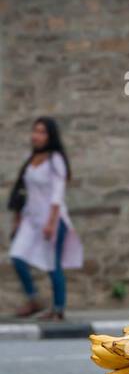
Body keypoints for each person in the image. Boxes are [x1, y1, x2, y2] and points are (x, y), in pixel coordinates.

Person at [8, 117, 83, 321]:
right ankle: (34, 300)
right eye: (35, 131)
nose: (37, 136)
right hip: (30, 220)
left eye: (42, 132)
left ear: (50, 136)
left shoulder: (55, 160)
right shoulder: (32, 160)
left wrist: (51, 222)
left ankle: (58, 309)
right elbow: (24, 193)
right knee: (17, 256)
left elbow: (57, 193)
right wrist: (19, 219)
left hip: (52, 219)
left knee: (52, 264)